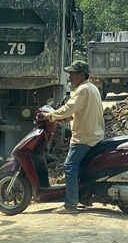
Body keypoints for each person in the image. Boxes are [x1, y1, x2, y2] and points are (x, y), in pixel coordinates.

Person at [37, 60, 105, 214]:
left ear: (81, 75)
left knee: (69, 166)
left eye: (72, 74)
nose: (69, 78)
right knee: (81, 168)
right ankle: (83, 196)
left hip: (84, 137)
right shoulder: (92, 88)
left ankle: (71, 204)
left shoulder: (82, 90)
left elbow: (69, 107)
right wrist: (68, 118)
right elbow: (82, 110)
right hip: (94, 134)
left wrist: (49, 115)